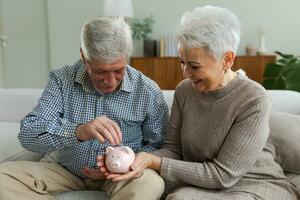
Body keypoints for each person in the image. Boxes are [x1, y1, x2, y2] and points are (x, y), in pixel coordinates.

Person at [97, 6, 300, 200]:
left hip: (254, 183)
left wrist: (155, 162)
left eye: (194, 66)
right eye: (182, 62)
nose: (185, 73)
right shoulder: (185, 91)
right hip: (204, 186)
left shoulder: (254, 99)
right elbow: (173, 150)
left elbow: (224, 175)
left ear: (227, 59)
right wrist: (133, 160)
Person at [0, 17, 168, 200]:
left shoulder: (148, 91)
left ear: (127, 57)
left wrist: (125, 165)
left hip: (121, 176)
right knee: (3, 178)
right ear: (84, 57)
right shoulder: (62, 79)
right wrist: (79, 131)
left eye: (118, 70)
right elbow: (28, 134)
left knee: (151, 183)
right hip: (65, 169)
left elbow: (159, 148)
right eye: (100, 72)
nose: (110, 81)